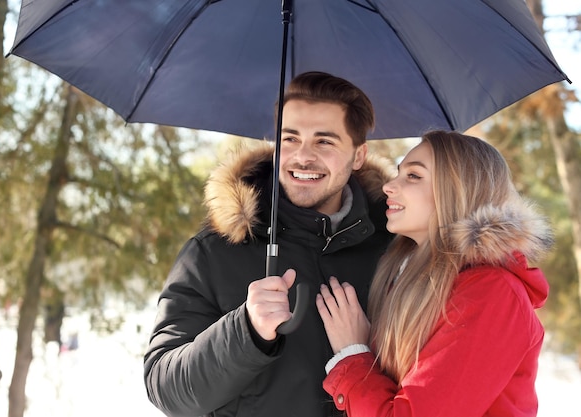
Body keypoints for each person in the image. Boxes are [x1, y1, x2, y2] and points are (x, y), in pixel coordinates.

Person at [143, 71, 394, 417]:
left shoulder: (396, 251)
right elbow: (166, 388)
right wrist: (246, 330)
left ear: (358, 155)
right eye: (290, 139)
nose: (302, 157)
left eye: (324, 142)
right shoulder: (216, 250)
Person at [316, 130, 552, 417]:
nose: (390, 186)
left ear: (457, 189)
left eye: (413, 176)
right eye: (399, 173)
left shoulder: (493, 293)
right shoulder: (408, 277)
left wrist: (354, 356)